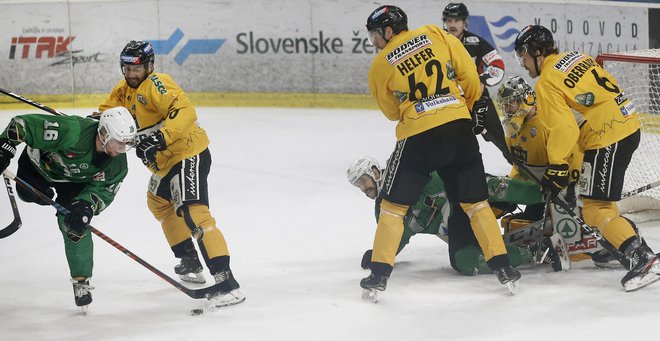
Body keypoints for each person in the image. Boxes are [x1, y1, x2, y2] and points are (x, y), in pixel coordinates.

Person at [363, 5, 520, 297]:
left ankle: (379, 274)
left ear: (388, 30)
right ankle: (503, 267)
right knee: (477, 204)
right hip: (459, 129)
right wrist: (472, 104)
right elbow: (469, 75)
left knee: (393, 208)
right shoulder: (435, 33)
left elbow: (391, 112)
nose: (374, 42)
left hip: (418, 137)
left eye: (375, 35)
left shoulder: (380, 63)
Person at [513, 25, 660, 291]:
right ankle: (616, 245)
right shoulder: (576, 57)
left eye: (523, 56)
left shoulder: (546, 81)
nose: (523, 63)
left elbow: (564, 129)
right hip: (627, 124)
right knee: (599, 202)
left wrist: (557, 167)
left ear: (536, 52)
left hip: (607, 136)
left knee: (595, 210)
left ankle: (642, 256)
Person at [98, 40, 244, 307]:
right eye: (127, 68)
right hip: (165, 163)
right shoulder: (122, 90)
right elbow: (106, 114)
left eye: (138, 68)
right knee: (159, 202)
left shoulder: (158, 83)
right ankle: (189, 260)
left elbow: (185, 111)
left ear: (149, 65)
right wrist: (90, 123)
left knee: (193, 211)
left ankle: (226, 282)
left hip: (188, 153)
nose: (132, 74)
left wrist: (161, 139)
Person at [0, 107, 136, 309]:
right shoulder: (72, 131)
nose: (123, 149)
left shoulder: (117, 164)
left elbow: (104, 190)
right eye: (120, 142)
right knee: (28, 194)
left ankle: (81, 280)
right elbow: (22, 124)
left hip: (74, 183)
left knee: (75, 226)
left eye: (128, 144)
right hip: (38, 167)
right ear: (104, 134)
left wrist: (86, 206)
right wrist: (4, 148)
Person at [347, 156, 544, 275]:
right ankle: (536, 250)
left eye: (364, 181)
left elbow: (447, 173)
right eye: (359, 185)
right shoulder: (384, 210)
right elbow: (395, 238)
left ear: (374, 171)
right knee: (465, 262)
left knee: (492, 186)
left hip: (461, 194)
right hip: (454, 224)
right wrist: (378, 254)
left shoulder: (403, 170)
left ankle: (549, 193)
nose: (364, 188)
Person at [442, 2, 507, 149]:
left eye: (457, 20)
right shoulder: (436, 42)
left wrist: (482, 79)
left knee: (499, 138)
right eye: (449, 20)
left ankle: (519, 167)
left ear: (465, 22)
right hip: (448, 102)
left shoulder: (476, 42)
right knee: (452, 143)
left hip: (478, 99)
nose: (452, 24)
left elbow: (497, 63)